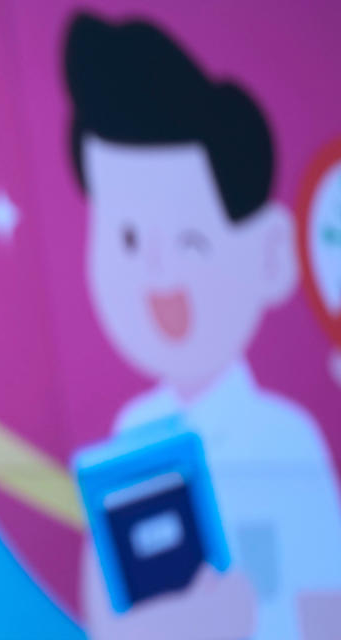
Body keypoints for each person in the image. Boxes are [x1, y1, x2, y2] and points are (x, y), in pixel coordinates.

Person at [64, 13, 341, 640]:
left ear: (269, 253)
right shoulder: (128, 442)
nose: (159, 271)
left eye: (191, 240)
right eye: (130, 239)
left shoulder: (288, 442)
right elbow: (104, 618)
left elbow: (326, 610)